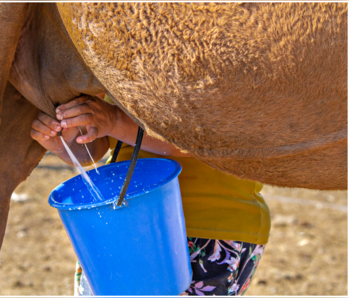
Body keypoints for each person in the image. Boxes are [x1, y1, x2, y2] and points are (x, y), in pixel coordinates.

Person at [30, 94, 270, 296]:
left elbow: (210, 137)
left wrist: (114, 119)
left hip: (207, 230)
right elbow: (101, 144)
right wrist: (65, 141)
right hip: (118, 227)